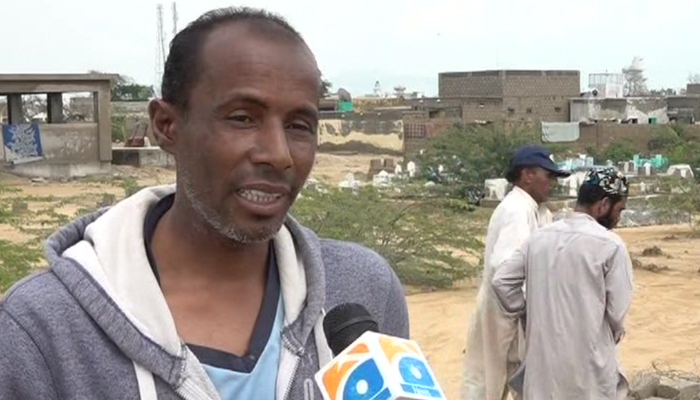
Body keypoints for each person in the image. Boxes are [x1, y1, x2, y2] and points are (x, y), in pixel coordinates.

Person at [0, 7, 409, 400]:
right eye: (242, 118)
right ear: (166, 126)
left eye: (299, 126)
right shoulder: (42, 330)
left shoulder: (363, 291)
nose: (279, 154)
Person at [492, 167, 633, 400]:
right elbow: (617, 314)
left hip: (541, 371)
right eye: (619, 210)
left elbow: (502, 281)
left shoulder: (538, 238)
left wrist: (527, 315)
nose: (618, 217)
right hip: (589, 373)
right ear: (603, 205)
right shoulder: (610, 245)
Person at [462, 145, 569, 400]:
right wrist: (524, 313)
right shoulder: (516, 210)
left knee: (522, 383)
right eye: (549, 176)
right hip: (504, 315)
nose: (552, 183)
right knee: (487, 384)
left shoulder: (537, 211)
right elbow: (504, 270)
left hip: (515, 316)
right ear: (527, 175)